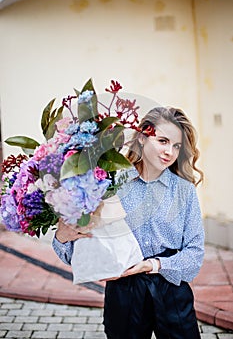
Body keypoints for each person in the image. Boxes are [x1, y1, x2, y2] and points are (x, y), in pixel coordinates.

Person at [52, 106, 205, 339]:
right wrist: (63, 236)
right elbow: (78, 251)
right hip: (124, 290)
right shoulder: (110, 184)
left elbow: (194, 255)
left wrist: (151, 265)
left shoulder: (184, 192)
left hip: (170, 287)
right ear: (142, 138)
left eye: (176, 146)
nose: (169, 152)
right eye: (163, 141)